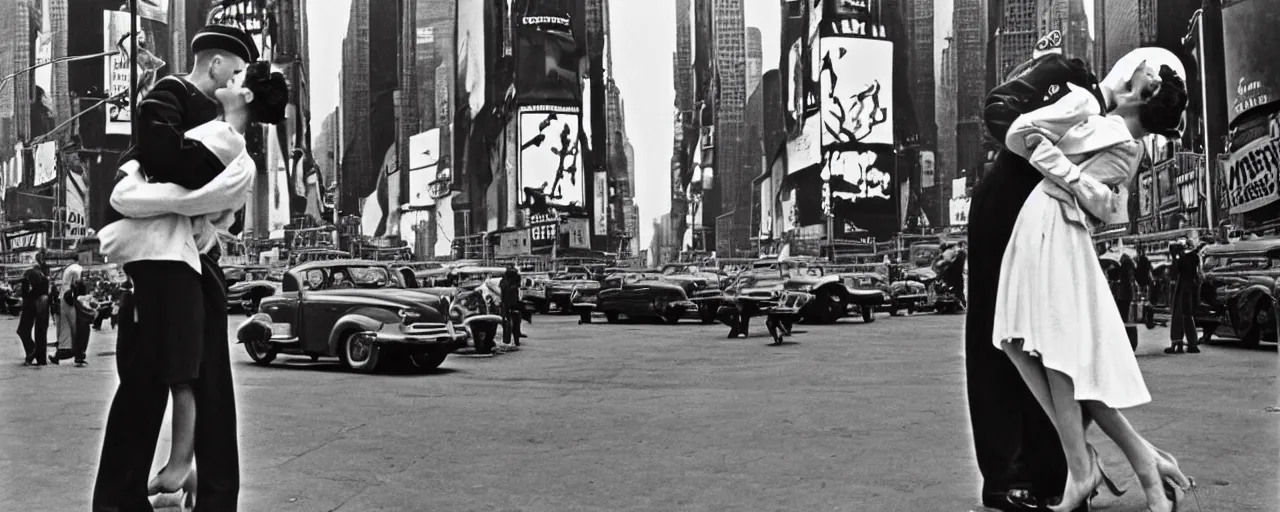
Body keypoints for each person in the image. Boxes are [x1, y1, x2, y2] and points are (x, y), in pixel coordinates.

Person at [991, 53, 1194, 512]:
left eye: (1144, 73)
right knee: (1017, 342)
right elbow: (1020, 135)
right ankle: (1134, 461)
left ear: (1145, 94)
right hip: (1039, 219)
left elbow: (1098, 201)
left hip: (1057, 226)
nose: (1136, 67)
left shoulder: (1124, 142)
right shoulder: (1094, 111)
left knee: (1057, 356)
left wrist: (1055, 163)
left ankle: (1090, 468)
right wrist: (1059, 162)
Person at [92, 25, 264, 512]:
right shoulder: (167, 95)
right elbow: (162, 157)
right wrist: (217, 159)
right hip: (158, 264)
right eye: (235, 71)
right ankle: (119, 500)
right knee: (144, 387)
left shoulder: (223, 118)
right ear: (214, 65)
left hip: (200, 264)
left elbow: (236, 207)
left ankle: (211, 498)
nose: (239, 83)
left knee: (210, 390)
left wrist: (225, 143)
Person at [969, 46, 1134, 511]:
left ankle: (1059, 471)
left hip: (1047, 217)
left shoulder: (1115, 130)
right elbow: (1000, 108)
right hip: (1006, 207)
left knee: (1056, 342)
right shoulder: (1069, 72)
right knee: (1002, 338)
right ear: (1131, 79)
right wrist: (1036, 148)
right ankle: (1007, 476)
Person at [1167, 241, 1205, 354]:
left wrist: (1175, 259)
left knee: (1177, 315)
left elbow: (1174, 273)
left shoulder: (1180, 259)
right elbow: (1199, 274)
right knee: (1188, 315)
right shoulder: (1194, 258)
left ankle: (1176, 342)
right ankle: (1192, 343)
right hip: (1190, 289)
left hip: (1181, 288)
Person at [17, 250, 52, 366]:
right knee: (38, 332)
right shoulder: (41, 274)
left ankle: (34, 353)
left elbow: (33, 289)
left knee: (30, 331)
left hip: (34, 303)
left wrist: (27, 295)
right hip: (40, 302)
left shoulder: (34, 272)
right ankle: (36, 354)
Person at [500, 265, 525, 346]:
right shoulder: (516, 280)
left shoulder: (504, 280)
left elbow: (502, 293)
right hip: (514, 303)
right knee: (516, 322)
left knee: (507, 322)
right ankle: (515, 341)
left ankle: (506, 341)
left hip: (507, 303)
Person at [1115, 254, 1136, 323]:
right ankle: (1125, 323)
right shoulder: (1131, 268)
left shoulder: (1122, 268)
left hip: (1122, 293)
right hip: (1127, 293)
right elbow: (1131, 280)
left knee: (1121, 311)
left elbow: (1120, 279)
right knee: (1125, 310)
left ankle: (1122, 323)